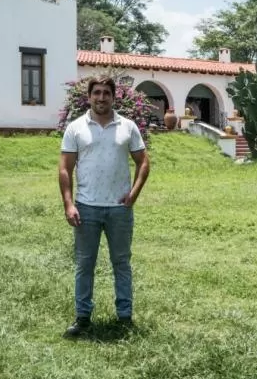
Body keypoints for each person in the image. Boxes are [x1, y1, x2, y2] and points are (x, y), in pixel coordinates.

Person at [58, 75, 151, 338]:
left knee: (121, 263)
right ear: (89, 97)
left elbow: (143, 162)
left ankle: (125, 317)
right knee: (84, 264)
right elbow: (65, 169)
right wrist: (68, 203)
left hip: (119, 210)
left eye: (106, 93)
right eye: (96, 93)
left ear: (113, 96)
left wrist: (133, 194)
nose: (101, 98)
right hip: (86, 208)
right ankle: (83, 318)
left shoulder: (128, 126)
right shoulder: (76, 128)